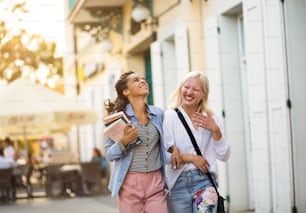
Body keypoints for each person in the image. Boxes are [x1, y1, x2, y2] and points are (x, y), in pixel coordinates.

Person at [163, 71, 230, 213]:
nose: (189, 92)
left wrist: (215, 130)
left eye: (195, 89)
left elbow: (223, 155)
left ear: (203, 94)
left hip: (204, 181)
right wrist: (191, 158)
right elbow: (166, 156)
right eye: (186, 87)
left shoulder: (212, 118)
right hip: (177, 183)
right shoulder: (170, 116)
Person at [104, 71, 168, 213]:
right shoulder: (116, 118)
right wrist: (124, 142)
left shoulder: (159, 114)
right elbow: (109, 154)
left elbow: (166, 146)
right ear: (126, 91)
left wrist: (177, 151)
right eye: (136, 80)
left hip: (155, 184)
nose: (143, 81)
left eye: (143, 79)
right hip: (129, 185)